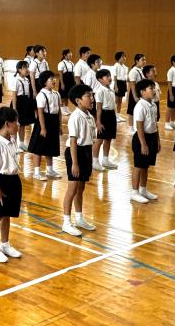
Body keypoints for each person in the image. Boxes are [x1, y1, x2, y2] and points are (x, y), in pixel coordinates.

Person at [0, 107, 23, 263]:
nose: (18, 124)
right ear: (7, 124)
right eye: (16, 121)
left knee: (7, 214)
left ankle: (5, 244)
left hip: (13, 179)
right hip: (0, 181)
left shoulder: (12, 140)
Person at [62, 84, 97, 236]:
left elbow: (92, 139)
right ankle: (66, 222)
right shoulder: (75, 117)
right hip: (75, 152)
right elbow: (73, 141)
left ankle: (79, 218)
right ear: (78, 100)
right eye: (88, 96)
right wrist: (75, 163)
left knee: (80, 188)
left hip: (86, 152)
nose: (92, 99)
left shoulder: (90, 116)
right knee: (72, 188)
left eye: (92, 95)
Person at [130, 79, 160, 204]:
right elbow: (140, 127)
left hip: (152, 138)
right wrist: (143, 144)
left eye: (154, 88)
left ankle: (143, 190)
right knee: (138, 166)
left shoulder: (153, 105)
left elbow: (155, 125)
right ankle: (134, 192)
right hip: (141, 138)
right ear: (142, 92)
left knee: (145, 166)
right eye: (151, 88)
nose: (154, 90)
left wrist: (158, 141)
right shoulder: (140, 106)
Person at [28, 70, 61, 180]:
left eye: (54, 78)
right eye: (51, 79)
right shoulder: (41, 95)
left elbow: (59, 111)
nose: (54, 80)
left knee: (50, 146)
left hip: (54, 122)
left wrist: (60, 126)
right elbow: (40, 113)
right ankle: (37, 172)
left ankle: (50, 169)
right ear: (44, 82)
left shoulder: (56, 94)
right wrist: (43, 128)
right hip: (44, 122)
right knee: (39, 147)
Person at [92, 69, 118, 171]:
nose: (110, 78)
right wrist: (98, 122)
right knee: (100, 139)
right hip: (104, 115)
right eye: (107, 76)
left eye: (110, 76)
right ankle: (95, 161)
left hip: (111, 115)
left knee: (108, 138)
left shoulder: (111, 90)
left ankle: (105, 160)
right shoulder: (100, 91)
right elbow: (98, 108)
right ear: (100, 80)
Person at [11, 60, 35, 151]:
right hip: (18, 103)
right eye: (25, 68)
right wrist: (14, 108)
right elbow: (14, 95)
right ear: (19, 70)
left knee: (23, 124)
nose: (27, 69)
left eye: (27, 67)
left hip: (25, 103)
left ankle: (21, 143)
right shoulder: (16, 80)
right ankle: (14, 145)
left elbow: (28, 93)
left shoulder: (27, 80)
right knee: (16, 124)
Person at [57, 49, 75, 115]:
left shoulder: (72, 63)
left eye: (71, 54)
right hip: (64, 81)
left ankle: (66, 109)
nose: (70, 55)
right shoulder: (61, 63)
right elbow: (60, 75)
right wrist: (62, 83)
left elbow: (73, 74)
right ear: (65, 55)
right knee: (63, 96)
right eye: (69, 54)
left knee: (67, 96)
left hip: (71, 81)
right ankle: (62, 110)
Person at [112, 51, 128, 122]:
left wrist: (126, 85)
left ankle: (118, 115)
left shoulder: (125, 67)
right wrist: (116, 86)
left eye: (125, 56)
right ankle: (114, 116)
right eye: (122, 56)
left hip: (123, 83)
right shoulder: (116, 66)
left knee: (120, 101)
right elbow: (115, 77)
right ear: (118, 58)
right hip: (118, 83)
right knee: (116, 100)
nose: (124, 58)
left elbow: (125, 77)